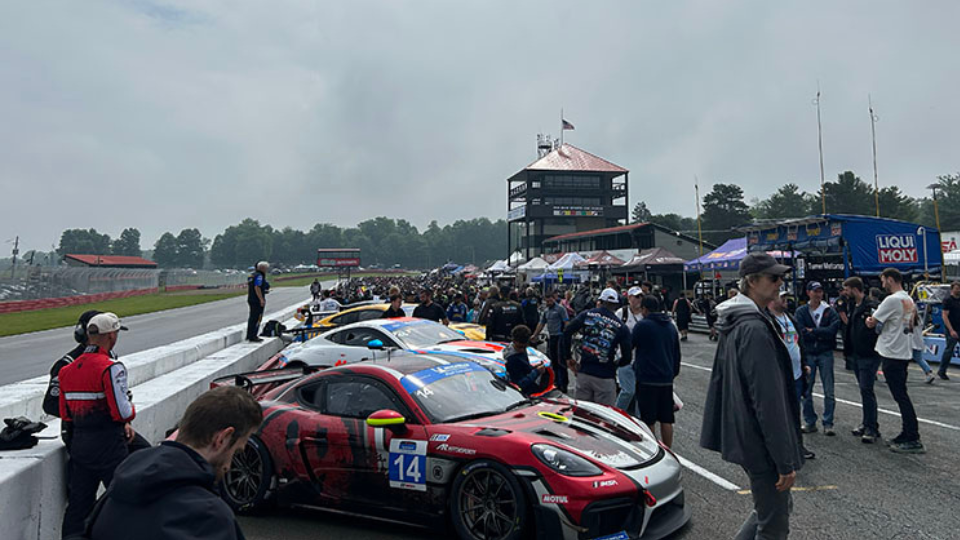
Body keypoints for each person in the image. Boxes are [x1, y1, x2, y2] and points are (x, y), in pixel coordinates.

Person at [701, 253, 803, 540]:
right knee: (773, 526)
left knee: (769, 510)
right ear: (752, 282)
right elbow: (767, 400)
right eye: (773, 278)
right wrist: (784, 460)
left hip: (744, 433)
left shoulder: (736, 320)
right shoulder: (753, 327)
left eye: (780, 277)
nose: (779, 283)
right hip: (760, 441)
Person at [85, 386, 262, 540]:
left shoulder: (117, 490)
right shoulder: (211, 518)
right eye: (237, 452)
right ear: (222, 438)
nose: (229, 466)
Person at [58, 312, 137, 538]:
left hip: (80, 445)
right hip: (109, 444)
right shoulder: (111, 367)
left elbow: (65, 413)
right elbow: (121, 411)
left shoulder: (67, 370)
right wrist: (130, 414)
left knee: (78, 507)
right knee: (124, 500)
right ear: (111, 336)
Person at [866, 268, 924, 454]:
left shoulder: (891, 300)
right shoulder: (908, 299)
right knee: (901, 395)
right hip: (903, 350)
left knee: (901, 396)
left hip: (892, 351)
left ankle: (913, 435)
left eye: (883, 281)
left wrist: (870, 318)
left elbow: (872, 322)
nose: (883, 285)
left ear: (890, 280)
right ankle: (907, 432)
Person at [563, 288, 632, 406]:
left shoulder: (587, 315)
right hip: (605, 375)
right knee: (604, 417)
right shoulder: (621, 327)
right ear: (615, 305)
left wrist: (568, 357)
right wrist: (615, 365)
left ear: (600, 301)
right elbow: (627, 357)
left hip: (584, 371)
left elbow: (567, 332)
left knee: (582, 414)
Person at [769, 291, 816, 460]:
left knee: (795, 412)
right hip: (779, 375)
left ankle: (797, 445)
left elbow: (798, 342)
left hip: (796, 374)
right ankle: (780, 448)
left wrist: (804, 363)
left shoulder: (790, 318)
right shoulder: (767, 320)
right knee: (779, 413)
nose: (785, 301)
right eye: (782, 298)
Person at [632, 295, 681, 448]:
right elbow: (676, 353)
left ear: (644, 309)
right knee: (666, 418)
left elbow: (630, 345)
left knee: (649, 418)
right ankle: (668, 448)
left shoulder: (642, 326)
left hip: (647, 377)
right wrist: (672, 373)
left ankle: (652, 449)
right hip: (666, 378)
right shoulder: (670, 326)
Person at [795, 281, 840, 436]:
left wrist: (813, 331)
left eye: (820, 291)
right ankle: (810, 421)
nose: (818, 294)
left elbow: (833, 330)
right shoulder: (802, 311)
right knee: (807, 389)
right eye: (815, 291)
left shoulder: (829, 311)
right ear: (809, 293)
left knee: (829, 390)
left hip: (825, 352)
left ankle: (828, 422)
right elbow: (800, 330)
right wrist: (820, 332)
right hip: (809, 353)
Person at [843, 277, 883, 443]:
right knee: (863, 390)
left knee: (867, 390)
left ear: (854, 289)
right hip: (856, 354)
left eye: (847, 289)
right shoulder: (854, 306)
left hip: (868, 354)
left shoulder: (870, 306)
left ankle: (871, 428)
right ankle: (867, 422)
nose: (845, 293)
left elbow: (878, 326)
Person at [532, 290, 570, 393]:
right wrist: (535, 335)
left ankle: (564, 384)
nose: (548, 303)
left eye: (550, 300)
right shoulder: (546, 311)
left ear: (554, 299)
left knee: (560, 362)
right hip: (551, 337)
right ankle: (556, 382)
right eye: (547, 301)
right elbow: (541, 323)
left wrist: (566, 336)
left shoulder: (560, 309)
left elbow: (566, 322)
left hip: (559, 337)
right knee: (552, 361)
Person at [614, 286, 645, 414]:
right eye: (636, 296)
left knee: (640, 392)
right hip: (624, 357)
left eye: (641, 296)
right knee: (628, 390)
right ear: (629, 298)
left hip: (641, 358)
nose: (639, 299)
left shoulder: (645, 313)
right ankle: (616, 415)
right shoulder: (622, 313)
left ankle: (639, 421)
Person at [504, 325, 548, 396]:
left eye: (525, 347)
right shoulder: (512, 359)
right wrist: (536, 372)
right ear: (514, 341)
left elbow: (524, 369)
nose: (522, 350)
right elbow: (519, 384)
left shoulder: (518, 351)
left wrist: (533, 368)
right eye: (520, 347)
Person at [937, 281, 960, 380]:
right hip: (952, 328)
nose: (958, 290)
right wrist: (951, 330)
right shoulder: (948, 300)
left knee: (949, 349)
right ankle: (942, 371)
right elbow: (944, 315)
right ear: (952, 289)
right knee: (949, 350)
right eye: (957, 288)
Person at [245, 261, 269, 342]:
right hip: (257, 300)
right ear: (263, 268)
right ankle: (253, 336)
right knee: (257, 318)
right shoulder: (259, 276)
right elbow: (257, 287)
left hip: (251, 298)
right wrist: (261, 299)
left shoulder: (251, 275)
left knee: (252, 318)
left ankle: (249, 334)